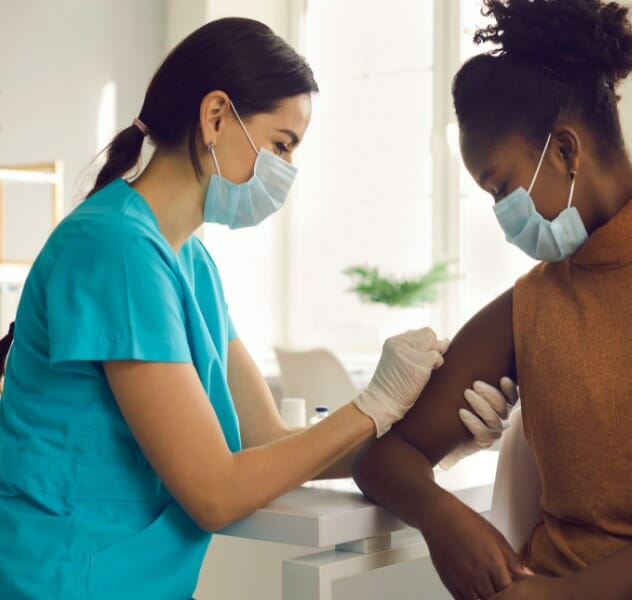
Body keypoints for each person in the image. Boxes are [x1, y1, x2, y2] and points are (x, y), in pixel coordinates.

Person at [0, 18, 515, 600]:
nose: (287, 171)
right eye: (281, 145)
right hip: (65, 579)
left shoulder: (188, 262)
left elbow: (263, 439)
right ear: (216, 116)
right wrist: (372, 405)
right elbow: (214, 492)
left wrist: (429, 439)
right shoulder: (115, 249)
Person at [351, 1, 632, 599]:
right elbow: (386, 458)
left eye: (502, 187)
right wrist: (442, 517)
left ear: (567, 150)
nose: (501, 215)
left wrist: (568, 597)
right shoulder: (530, 307)